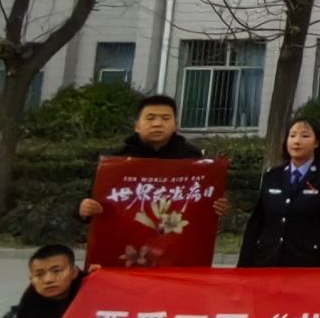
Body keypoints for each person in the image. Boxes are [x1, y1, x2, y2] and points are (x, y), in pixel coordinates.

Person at [78, 95, 228, 223]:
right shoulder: (116, 160)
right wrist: (85, 208)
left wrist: (217, 207)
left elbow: (204, 199)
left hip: (175, 239)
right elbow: (93, 199)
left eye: (165, 118)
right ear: (137, 126)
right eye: (150, 118)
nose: (157, 124)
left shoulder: (192, 158)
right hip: (126, 237)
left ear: (175, 125)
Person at [239, 117, 320, 267]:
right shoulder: (272, 177)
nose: (296, 141)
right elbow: (256, 224)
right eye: (292, 135)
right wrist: (244, 265)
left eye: (304, 136)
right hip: (268, 261)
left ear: (317, 142)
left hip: (307, 264)